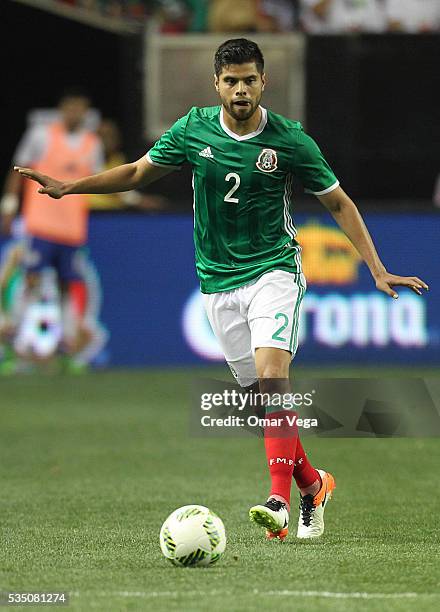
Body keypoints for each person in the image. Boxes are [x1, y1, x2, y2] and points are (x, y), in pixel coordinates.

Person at [15, 39, 429, 540]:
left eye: (249, 80)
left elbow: (339, 203)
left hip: (274, 270)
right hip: (217, 282)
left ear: (262, 82)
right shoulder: (193, 129)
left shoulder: (290, 140)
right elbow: (138, 173)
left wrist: (377, 268)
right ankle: (312, 485)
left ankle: (277, 500)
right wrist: (69, 187)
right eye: (230, 80)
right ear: (216, 84)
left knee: (274, 377)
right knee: (263, 406)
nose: (240, 89)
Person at [1, 88, 103, 361]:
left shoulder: (92, 144)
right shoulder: (42, 135)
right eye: (70, 107)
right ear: (62, 110)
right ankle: (17, 333)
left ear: (85, 112)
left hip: (71, 228)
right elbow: (19, 169)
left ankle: (67, 341)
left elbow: (98, 180)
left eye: (79, 108)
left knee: (68, 283)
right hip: (42, 223)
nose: (74, 113)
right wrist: (9, 206)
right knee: (32, 277)